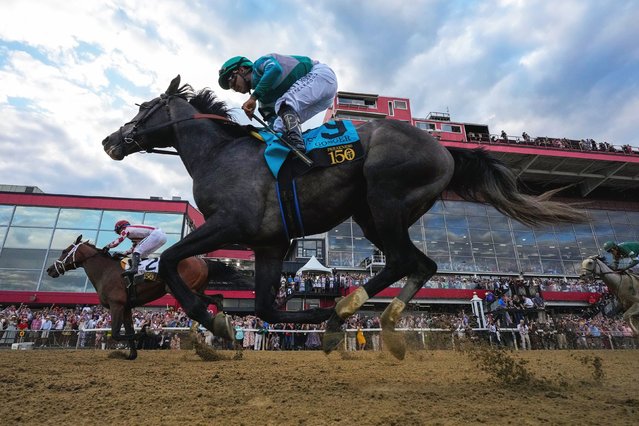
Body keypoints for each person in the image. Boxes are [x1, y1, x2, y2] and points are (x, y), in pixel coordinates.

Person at [218, 53, 338, 152]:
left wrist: (253, 98)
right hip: (324, 100)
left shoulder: (260, 64)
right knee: (279, 125)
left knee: (283, 103)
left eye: (231, 80)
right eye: (230, 87)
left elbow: (275, 69)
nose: (233, 87)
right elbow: (273, 129)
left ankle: (297, 145)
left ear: (241, 69)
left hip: (322, 75)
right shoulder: (263, 103)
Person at [103, 220, 167, 281]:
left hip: (156, 234)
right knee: (142, 255)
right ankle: (148, 273)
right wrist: (123, 254)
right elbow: (134, 247)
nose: (119, 233)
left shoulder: (126, 229)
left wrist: (107, 246)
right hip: (162, 237)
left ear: (120, 228)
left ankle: (135, 269)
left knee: (137, 251)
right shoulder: (135, 232)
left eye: (118, 232)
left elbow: (118, 241)